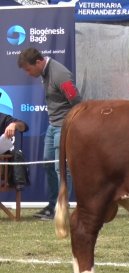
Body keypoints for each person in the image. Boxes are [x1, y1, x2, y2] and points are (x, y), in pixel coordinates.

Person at [18, 47, 82, 220]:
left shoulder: (60, 74)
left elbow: (76, 102)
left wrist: (72, 127)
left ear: (38, 62)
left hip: (65, 126)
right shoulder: (43, 73)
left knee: (61, 168)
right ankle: (53, 204)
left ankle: (61, 208)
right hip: (53, 125)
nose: (28, 73)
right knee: (48, 163)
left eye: (28, 69)